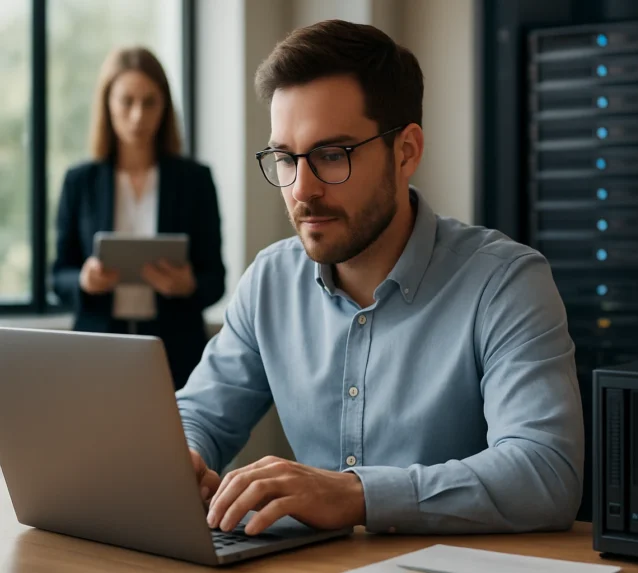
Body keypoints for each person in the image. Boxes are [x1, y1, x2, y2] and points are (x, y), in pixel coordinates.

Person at [177, 20, 584, 536]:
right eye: (285, 158)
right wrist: (183, 459)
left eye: (331, 155)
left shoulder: (505, 282)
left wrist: (356, 494)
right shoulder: (270, 282)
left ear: (406, 152)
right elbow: (199, 415)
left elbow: (545, 474)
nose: (302, 190)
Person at [52, 47, 226, 390]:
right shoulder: (80, 181)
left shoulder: (194, 180)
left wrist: (187, 285)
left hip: (175, 351)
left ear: (165, 107)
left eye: (150, 102)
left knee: (169, 444)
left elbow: (215, 278)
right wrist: (85, 281)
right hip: (96, 347)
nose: (137, 116)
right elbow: (58, 275)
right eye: (126, 101)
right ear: (107, 105)